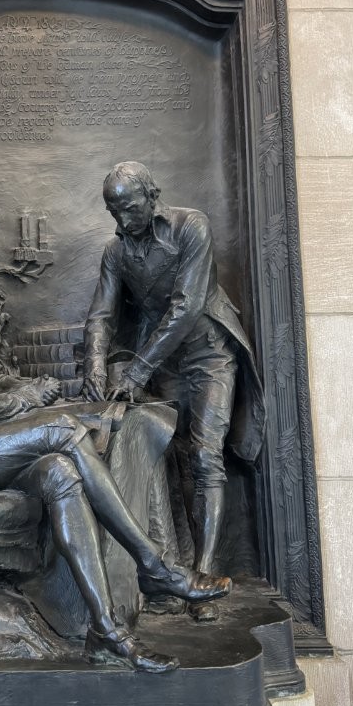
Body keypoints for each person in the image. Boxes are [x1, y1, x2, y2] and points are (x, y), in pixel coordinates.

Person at [0, 246, 231, 672]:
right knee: (62, 432)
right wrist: (25, 401)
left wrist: (38, 387)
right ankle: (156, 566)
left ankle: (105, 631)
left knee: (59, 470)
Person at [82, 161, 265, 620]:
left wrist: (137, 370)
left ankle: (203, 579)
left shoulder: (191, 228)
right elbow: (101, 315)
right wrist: (96, 367)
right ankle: (171, 573)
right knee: (171, 459)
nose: (122, 221)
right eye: (112, 211)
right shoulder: (116, 253)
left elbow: (186, 307)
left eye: (128, 208)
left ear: (151, 196)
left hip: (207, 353)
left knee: (205, 456)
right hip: (163, 363)